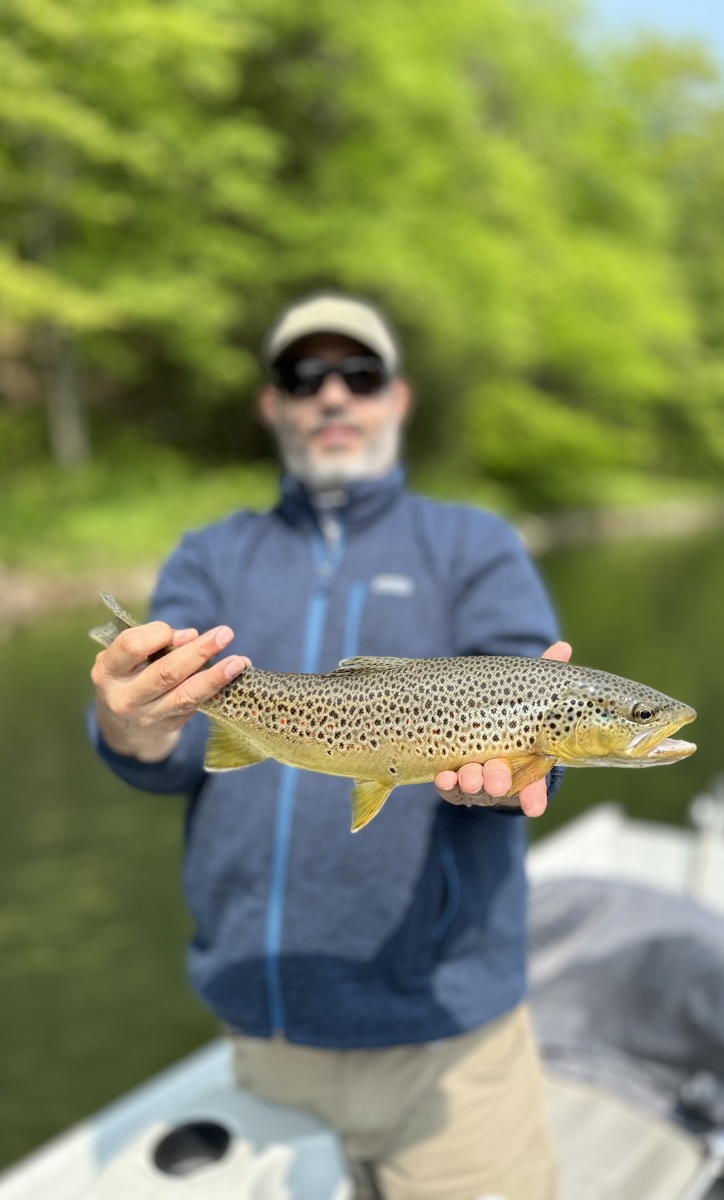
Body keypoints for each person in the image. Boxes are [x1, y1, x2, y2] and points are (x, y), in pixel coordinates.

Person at [88, 291, 571, 1200]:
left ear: (398, 397)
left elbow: (520, 699)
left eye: (360, 373)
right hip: (265, 1037)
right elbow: (163, 749)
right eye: (305, 376)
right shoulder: (211, 555)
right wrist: (131, 718)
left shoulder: (475, 545)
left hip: (447, 1050)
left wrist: (505, 779)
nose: (334, 395)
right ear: (273, 404)